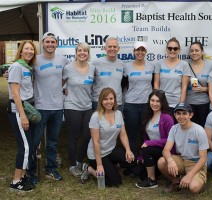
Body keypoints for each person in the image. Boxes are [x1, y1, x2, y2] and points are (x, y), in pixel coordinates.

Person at [26, 32, 69, 183]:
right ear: (43, 43)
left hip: (57, 108)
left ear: (57, 44)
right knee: (35, 141)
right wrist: (8, 73)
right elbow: (23, 72)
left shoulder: (63, 60)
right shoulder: (35, 59)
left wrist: (60, 87)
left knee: (52, 142)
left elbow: (66, 77)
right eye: (47, 41)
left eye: (53, 42)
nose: (50, 44)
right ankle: (31, 172)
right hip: (40, 107)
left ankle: (51, 169)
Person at [80, 88, 135, 186]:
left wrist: (128, 150)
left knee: (131, 161)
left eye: (111, 98)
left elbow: (123, 134)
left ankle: (110, 166)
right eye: (105, 99)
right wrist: (99, 165)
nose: (109, 102)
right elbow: (95, 141)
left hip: (110, 150)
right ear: (101, 101)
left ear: (115, 100)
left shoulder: (118, 114)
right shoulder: (95, 117)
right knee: (115, 182)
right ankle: (89, 168)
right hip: (97, 154)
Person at [157, 102, 209, 194]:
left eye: (184, 113)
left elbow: (203, 158)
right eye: (178, 113)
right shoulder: (174, 128)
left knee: (194, 188)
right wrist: (170, 161)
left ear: (191, 115)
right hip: (181, 159)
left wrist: (189, 176)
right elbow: (166, 150)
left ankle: (198, 182)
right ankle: (176, 182)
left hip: (195, 162)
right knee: (161, 162)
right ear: (175, 115)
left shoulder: (199, 131)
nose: (181, 116)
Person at [7, 40, 37, 192]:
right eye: (26, 49)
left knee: (29, 145)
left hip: (27, 110)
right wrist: (23, 116)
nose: (29, 51)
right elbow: (15, 95)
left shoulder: (27, 67)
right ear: (21, 50)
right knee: (25, 147)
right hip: (19, 112)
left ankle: (23, 177)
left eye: (32, 49)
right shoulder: (16, 67)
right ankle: (15, 182)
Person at [62, 42, 95, 177]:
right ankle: (72, 165)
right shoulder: (68, 68)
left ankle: (79, 160)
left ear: (88, 54)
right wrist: (63, 91)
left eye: (85, 51)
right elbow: (58, 84)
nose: (82, 53)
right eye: (80, 50)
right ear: (76, 53)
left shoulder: (92, 68)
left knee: (88, 135)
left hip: (87, 106)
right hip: (72, 106)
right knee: (73, 137)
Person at [135, 89, 174, 188]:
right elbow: (145, 139)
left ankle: (152, 181)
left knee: (147, 149)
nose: (154, 103)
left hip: (166, 150)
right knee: (140, 174)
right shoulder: (148, 115)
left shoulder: (167, 118)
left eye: (158, 101)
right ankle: (155, 173)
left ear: (162, 102)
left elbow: (171, 140)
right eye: (152, 100)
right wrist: (141, 156)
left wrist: (151, 143)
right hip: (153, 150)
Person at [123, 42, 154, 157]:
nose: (140, 52)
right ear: (134, 52)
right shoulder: (127, 67)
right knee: (132, 134)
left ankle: (143, 158)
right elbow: (123, 84)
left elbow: (154, 83)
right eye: (137, 50)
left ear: (146, 52)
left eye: (142, 50)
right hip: (131, 104)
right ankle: (133, 159)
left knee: (145, 133)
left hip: (147, 104)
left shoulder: (151, 66)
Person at [154, 37, 190, 118]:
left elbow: (184, 87)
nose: (172, 50)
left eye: (175, 48)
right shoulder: (159, 63)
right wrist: (157, 101)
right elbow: (156, 84)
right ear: (166, 49)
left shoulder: (184, 65)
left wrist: (181, 105)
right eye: (170, 48)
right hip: (162, 103)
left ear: (179, 50)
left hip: (176, 104)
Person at [91, 37, 124, 111]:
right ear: (105, 48)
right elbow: (86, 78)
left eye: (114, 47)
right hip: (99, 103)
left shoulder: (121, 64)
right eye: (109, 46)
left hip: (116, 104)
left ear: (118, 49)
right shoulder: (96, 63)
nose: (112, 49)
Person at [186, 41, 212, 127]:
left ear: (202, 52)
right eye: (192, 51)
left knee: (203, 129)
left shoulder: (210, 67)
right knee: (190, 129)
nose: (194, 53)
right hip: (189, 104)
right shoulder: (185, 66)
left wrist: (204, 89)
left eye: (197, 50)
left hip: (204, 104)